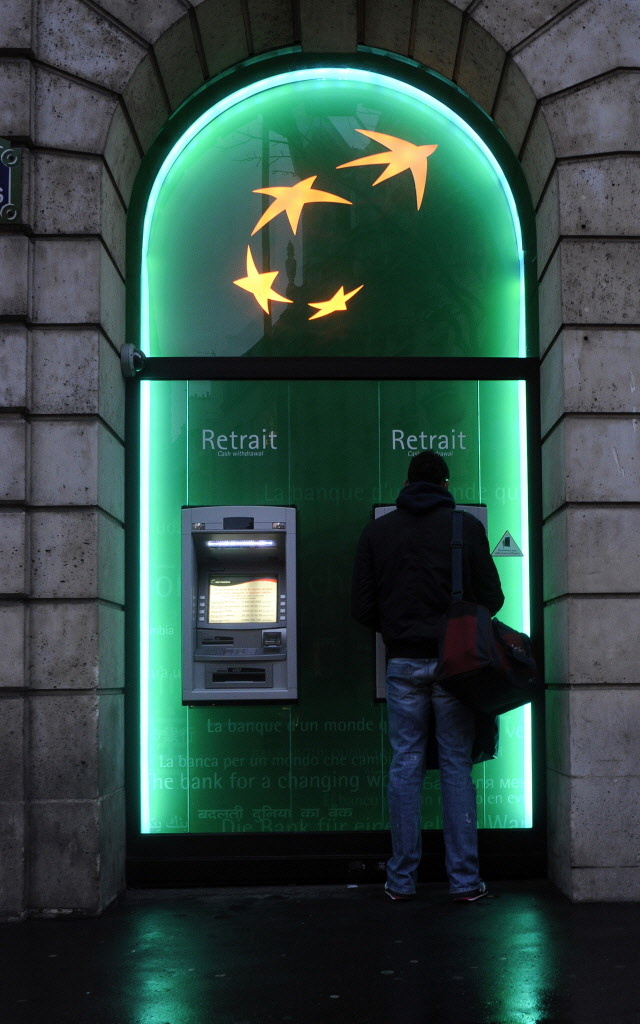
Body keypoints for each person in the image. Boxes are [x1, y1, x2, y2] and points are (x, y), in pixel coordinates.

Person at [351, 451, 504, 902]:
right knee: (456, 765)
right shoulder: (465, 528)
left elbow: (360, 606)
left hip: (402, 663)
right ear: (445, 482)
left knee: (406, 764)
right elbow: (493, 597)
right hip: (455, 665)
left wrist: (398, 628)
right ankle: (463, 881)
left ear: (407, 482)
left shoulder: (378, 531)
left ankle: (401, 881)